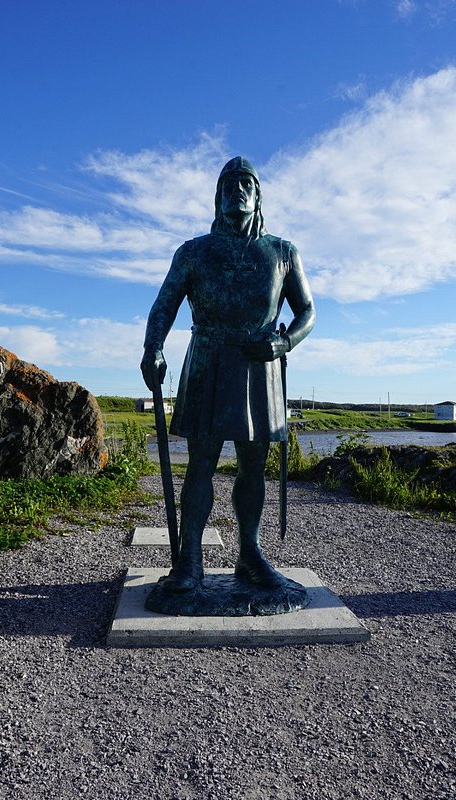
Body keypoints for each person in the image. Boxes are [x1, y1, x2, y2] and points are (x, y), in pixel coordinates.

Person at [141, 156, 316, 594]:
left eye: (246, 183)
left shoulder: (282, 252)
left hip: (259, 364)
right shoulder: (194, 252)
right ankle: (190, 559)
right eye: (229, 184)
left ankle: (250, 555)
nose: (237, 189)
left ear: (258, 195)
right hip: (208, 359)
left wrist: (284, 342)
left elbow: (307, 311)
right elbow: (165, 304)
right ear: (217, 197)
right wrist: (153, 348)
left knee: (253, 464)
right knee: (201, 461)